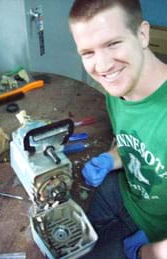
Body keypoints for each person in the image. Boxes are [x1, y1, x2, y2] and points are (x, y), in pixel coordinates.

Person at [69, 0, 167, 258]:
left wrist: (152, 252)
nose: (102, 67)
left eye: (113, 43)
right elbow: (134, 142)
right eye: (87, 52)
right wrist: (112, 158)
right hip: (127, 194)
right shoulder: (118, 88)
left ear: (142, 34)